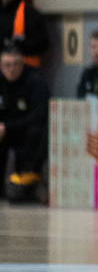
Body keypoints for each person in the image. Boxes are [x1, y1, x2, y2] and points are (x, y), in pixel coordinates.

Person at [0, 45, 49, 201]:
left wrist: (7, 127)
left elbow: (40, 115)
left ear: (22, 64)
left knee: (37, 129)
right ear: (1, 67)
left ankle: (31, 176)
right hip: (4, 133)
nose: (12, 69)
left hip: (27, 134)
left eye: (16, 64)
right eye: (7, 65)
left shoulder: (35, 82)